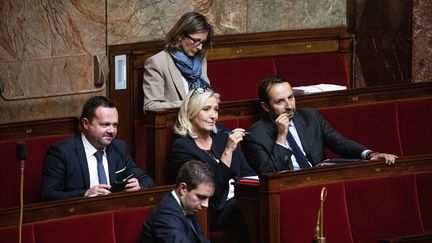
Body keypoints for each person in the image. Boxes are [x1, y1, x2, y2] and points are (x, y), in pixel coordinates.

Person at [242, 75, 399, 174]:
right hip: (289, 191)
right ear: (265, 106)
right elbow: (269, 174)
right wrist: (281, 137)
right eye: (280, 102)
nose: (289, 106)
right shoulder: (255, 136)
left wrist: (370, 154)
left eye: (290, 97)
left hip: (322, 182)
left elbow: (339, 142)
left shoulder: (310, 117)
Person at [170, 88, 256, 242]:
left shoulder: (222, 134)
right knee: (250, 206)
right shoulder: (182, 147)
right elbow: (209, 191)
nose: (213, 116)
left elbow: (246, 172)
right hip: (213, 210)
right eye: (206, 109)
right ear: (191, 112)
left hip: (240, 199)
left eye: (216, 109)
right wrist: (228, 151)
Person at [41, 96, 154, 201]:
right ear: (86, 123)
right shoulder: (61, 152)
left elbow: (147, 180)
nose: (111, 131)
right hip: (80, 215)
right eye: (105, 125)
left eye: (114, 125)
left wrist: (139, 185)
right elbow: (48, 195)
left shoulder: (119, 147)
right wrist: (85, 194)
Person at [143, 11, 213, 111]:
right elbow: (150, 106)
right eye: (196, 41)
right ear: (180, 36)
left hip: (203, 121)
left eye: (203, 42)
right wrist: (190, 104)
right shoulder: (157, 63)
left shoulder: (201, 61)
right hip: (177, 123)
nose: (200, 47)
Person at [141, 160, 215, 243]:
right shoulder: (165, 214)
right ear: (182, 189)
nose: (206, 205)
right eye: (201, 197)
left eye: (208, 198)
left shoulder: (187, 207)